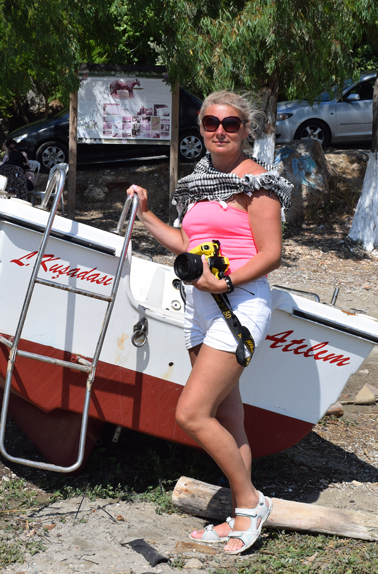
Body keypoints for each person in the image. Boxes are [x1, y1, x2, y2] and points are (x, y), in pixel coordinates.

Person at [126, 91, 292, 554]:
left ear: (246, 130)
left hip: (240, 306)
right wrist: (145, 213)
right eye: (211, 123)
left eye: (231, 123)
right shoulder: (198, 182)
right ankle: (240, 515)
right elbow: (185, 242)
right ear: (200, 128)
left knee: (192, 413)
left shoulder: (258, 183)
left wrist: (228, 280)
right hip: (199, 307)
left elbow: (272, 254)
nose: (221, 131)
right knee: (227, 415)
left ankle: (251, 502)